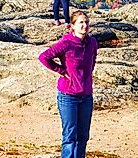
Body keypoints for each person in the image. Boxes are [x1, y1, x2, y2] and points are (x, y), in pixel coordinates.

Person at [38, 10, 98, 158]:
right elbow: (44, 57)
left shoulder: (92, 42)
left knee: (83, 137)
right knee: (70, 138)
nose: (84, 25)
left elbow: (93, 60)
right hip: (68, 96)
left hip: (86, 96)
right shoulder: (66, 43)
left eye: (86, 22)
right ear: (73, 26)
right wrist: (61, 70)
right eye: (81, 23)